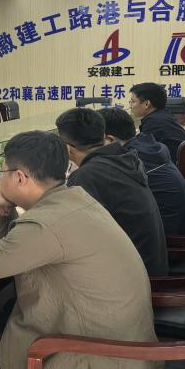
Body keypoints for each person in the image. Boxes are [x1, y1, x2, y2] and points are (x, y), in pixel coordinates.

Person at [0, 131, 163, 369]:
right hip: (120, 340)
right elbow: (18, 250)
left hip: (104, 356)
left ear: (20, 177)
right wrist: (4, 213)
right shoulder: (73, 198)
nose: (0, 180)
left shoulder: (45, 223)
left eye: (2, 173)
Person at [55, 108, 169, 276]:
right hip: (151, 266)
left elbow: (67, 234)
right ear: (104, 137)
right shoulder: (125, 158)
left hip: (134, 278)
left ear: (67, 149)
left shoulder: (87, 176)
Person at [98, 107, 185, 236]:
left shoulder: (130, 160)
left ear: (109, 139)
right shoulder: (146, 147)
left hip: (164, 235)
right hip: (176, 225)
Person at [129, 82, 185, 162]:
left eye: (133, 101)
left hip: (169, 165)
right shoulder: (162, 117)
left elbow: (141, 152)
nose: (130, 105)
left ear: (146, 104)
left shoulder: (154, 122)